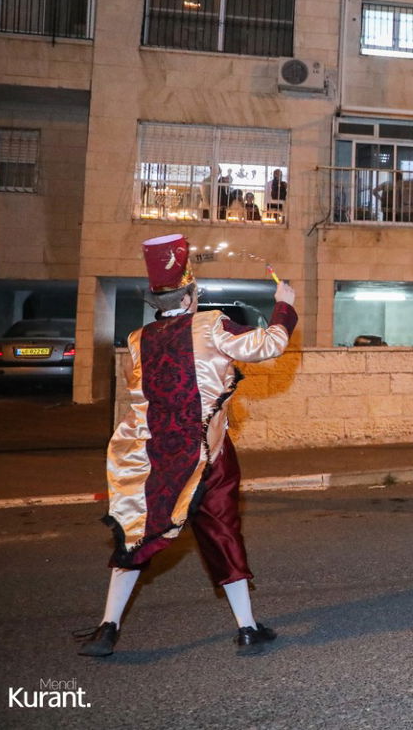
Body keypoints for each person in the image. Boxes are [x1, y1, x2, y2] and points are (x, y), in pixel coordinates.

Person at [77, 235, 298, 657]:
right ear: (192, 294)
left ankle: (107, 627)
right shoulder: (212, 325)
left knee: (138, 532)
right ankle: (247, 630)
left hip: (156, 455)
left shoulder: (138, 339)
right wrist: (284, 304)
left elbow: (139, 395)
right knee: (223, 534)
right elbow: (270, 345)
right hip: (209, 454)